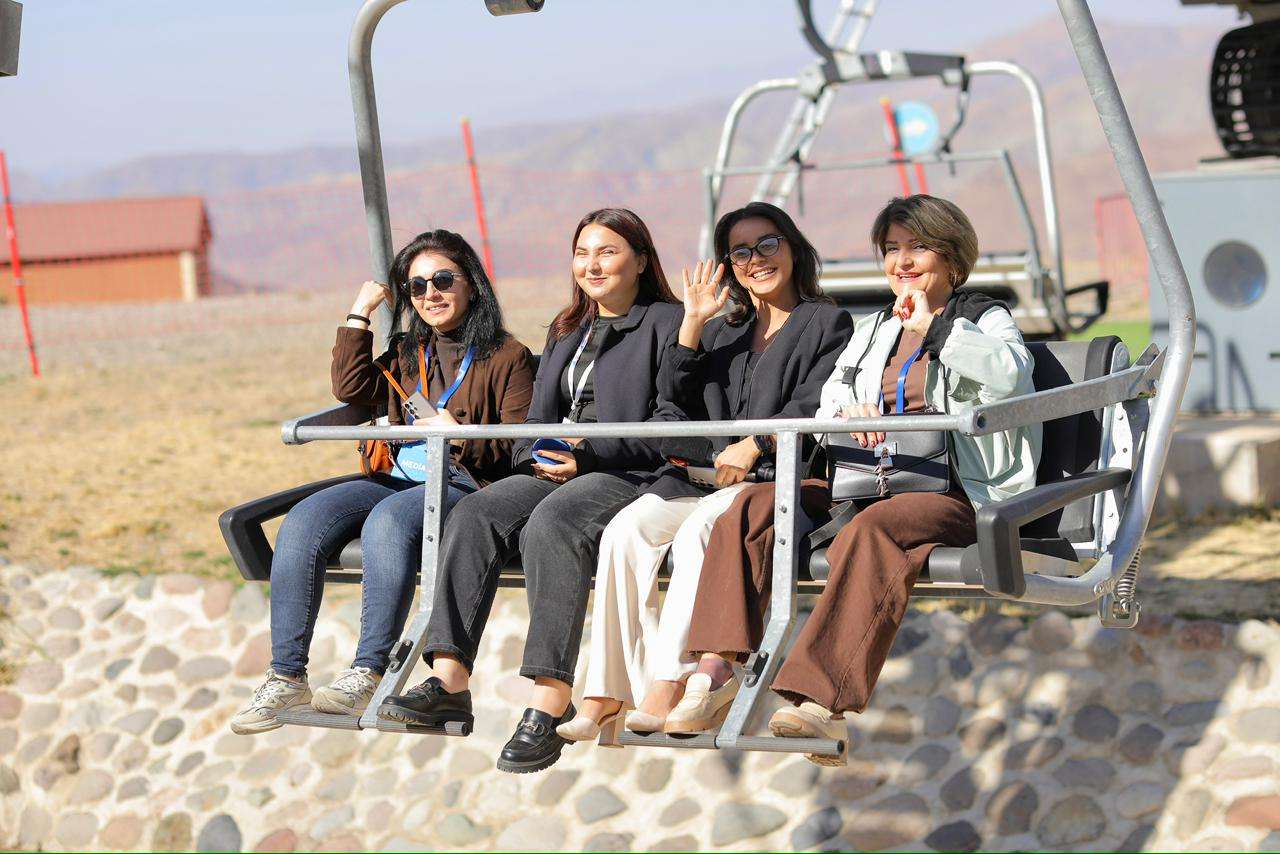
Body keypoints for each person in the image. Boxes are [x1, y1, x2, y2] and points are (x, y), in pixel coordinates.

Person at [676, 194, 1042, 765]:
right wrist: (851, 414)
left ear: (950, 255)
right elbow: (832, 397)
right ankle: (716, 670)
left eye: (917, 246)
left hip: (955, 490)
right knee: (754, 506)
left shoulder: (984, 318)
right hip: (869, 479)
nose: (902, 261)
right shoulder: (876, 328)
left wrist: (936, 329)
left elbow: (1012, 377)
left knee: (875, 530)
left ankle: (821, 703)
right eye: (892, 249)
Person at [376, 208, 684, 774]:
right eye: (583, 253)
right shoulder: (567, 327)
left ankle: (549, 698)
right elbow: (536, 418)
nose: (592, 265)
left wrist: (586, 456)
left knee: (554, 523)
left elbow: (668, 426)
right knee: (476, 513)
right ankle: (449, 679)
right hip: (552, 466)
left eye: (608, 252)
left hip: (623, 471)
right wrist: (535, 457)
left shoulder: (668, 323)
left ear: (641, 260)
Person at [557, 202, 852, 743]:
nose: (755, 259)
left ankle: (670, 683)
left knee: (700, 531)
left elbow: (815, 402)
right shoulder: (723, 331)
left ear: (792, 247)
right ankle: (606, 691)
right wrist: (692, 324)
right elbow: (674, 401)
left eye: (767, 244)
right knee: (625, 532)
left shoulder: (826, 322)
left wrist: (755, 442)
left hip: (771, 481)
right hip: (699, 479)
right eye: (740, 252)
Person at [230, 230, 535, 734]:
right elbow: (350, 387)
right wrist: (359, 314)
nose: (430, 294)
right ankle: (286, 676)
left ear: (472, 283)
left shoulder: (507, 356)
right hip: (394, 476)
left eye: (443, 280)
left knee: (388, 522)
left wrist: (462, 435)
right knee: (303, 521)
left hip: (463, 482)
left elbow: (522, 444)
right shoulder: (408, 352)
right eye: (417, 286)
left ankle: (367, 672)